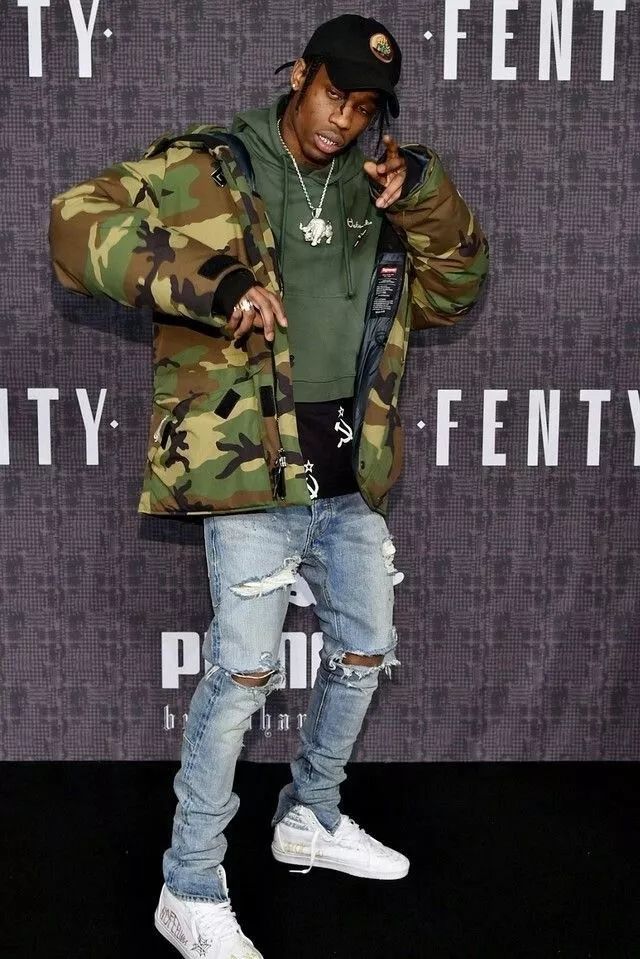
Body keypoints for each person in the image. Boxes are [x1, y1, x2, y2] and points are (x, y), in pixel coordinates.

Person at [49, 12, 489, 959]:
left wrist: (427, 199)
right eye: (334, 94)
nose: (344, 120)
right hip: (254, 473)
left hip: (348, 471)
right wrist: (208, 282)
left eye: (365, 107)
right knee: (243, 676)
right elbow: (74, 225)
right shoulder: (208, 165)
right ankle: (189, 884)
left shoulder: (385, 188)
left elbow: (456, 289)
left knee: (365, 648)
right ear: (299, 77)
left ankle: (309, 813)